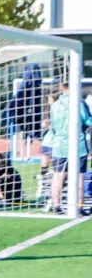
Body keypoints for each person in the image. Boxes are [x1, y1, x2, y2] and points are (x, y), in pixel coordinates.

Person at [48, 80, 92, 215]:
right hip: (77, 144)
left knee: (58, 175)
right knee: (79, 176)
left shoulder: (55, 105)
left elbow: (53, 126)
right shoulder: (79, 103)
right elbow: (88, 121)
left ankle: (56, 205)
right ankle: (78, 206)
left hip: (59, 144)